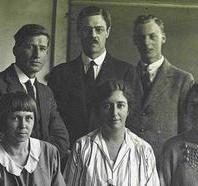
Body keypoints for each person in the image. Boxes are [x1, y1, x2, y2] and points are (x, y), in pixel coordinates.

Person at [48, 6, 141, 146]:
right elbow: (53, 119)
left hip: (111, 153)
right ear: (79, 32)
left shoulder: (126, 72)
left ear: (108, 32)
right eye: (87, 30)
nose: (93, 35)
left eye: (99, 29)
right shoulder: (60, 74)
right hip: (69, 153)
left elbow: (134, 118)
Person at [0, 24, 69, 158]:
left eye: (42, 49)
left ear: (46, 53)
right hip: (6, 170)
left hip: (43, 172)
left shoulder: (46, 93)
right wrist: (38, 153)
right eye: (30, 47)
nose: (37, 55)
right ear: (16, 49)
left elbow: (62, 140)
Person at [129, 14, 194, 163]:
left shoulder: (182, 79)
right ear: (134, 40)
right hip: (129, 162)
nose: (147, 43)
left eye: (152, 36)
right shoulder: (126, 75)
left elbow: (187, 131)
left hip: (165, 162)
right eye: (141, 37)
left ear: (163, 37)